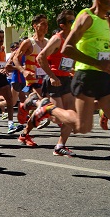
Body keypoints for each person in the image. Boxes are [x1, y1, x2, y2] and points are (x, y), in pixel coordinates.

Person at [60, 0, 110, 183]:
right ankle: (47, 108)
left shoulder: (105, 20)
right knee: (82, 128)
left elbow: (100, 49)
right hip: (85, 76)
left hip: (102, 76)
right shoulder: (86, 17)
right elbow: (67, 49)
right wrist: (98, 63)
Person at [33, 10, 77, 154]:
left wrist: (73, 69)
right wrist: (52, 76)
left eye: (74, 20)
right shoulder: (57, 39)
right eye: (71, 21)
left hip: (66, 79)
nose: (74, 23)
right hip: (54, 80)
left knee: (71, 116)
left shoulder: (73, 38)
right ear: (62, 25)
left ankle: (60, 146)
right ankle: (42, 107)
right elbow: (40, 58)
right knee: (57, 119)